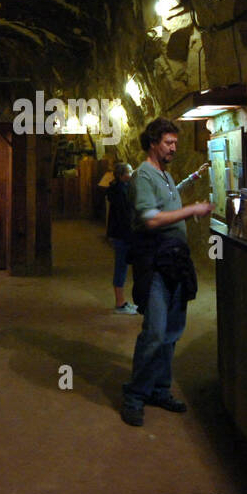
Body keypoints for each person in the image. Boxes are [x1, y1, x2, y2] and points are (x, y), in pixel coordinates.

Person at [120, 118, 210, 427]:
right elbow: (150, 219)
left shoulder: (165, 175)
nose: (173, 148)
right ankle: (135, 394)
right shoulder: (143, 175)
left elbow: (166, 207)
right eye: (169, 143)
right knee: (156, 331)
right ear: (153, 142)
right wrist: (191, 210)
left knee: (171, 332)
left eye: (175, 143)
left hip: (175, 262)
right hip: (155, 263)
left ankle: (159, 388)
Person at [105, 162, 138, 314]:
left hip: (120, 234)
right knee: (121, 267)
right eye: (130, 172)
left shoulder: (120, 189)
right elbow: (125, 216)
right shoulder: (120, 192)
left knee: (122, 266)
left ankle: (122, 301)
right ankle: (120, 303)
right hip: (122, 235)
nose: (132, 174)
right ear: (122, 175)